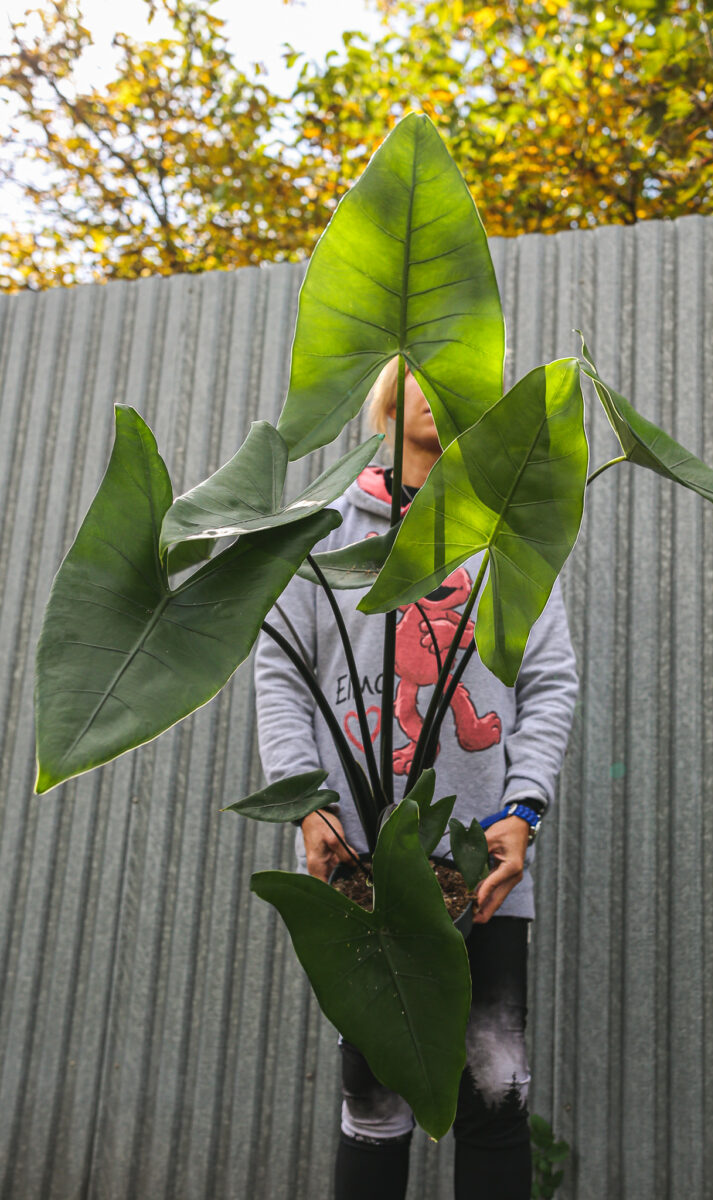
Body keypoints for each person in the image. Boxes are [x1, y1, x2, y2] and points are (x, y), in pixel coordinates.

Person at [254, 358, 578, 1200]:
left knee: (496, 1092)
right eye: (421, 368)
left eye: (458, 368)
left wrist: (524, 809)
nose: (440, 384)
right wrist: (307, 802)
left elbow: (550, 681)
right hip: (360, 859)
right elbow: (279, 671)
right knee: (373, 1099)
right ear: (388, 396)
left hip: (486, 862)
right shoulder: (322, 529)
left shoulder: (506, 525)